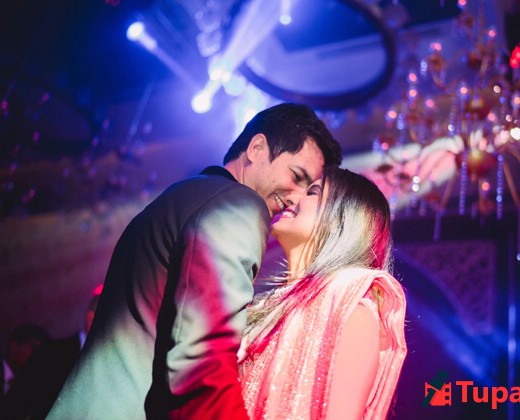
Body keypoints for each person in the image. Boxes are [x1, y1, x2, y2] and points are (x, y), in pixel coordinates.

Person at [47, 103, 342, 420]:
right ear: (257, 148)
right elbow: (202, 365)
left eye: (309, 190)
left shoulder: (184, 195)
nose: (297, 198)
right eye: (296, 176)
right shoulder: (239, 206)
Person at [238, 167, 407, 419]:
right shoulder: (265, 307)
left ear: (341, 220)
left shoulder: (354, 312)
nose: (292, 198)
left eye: (313, 192)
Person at [0, 286, 102, 420]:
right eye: (113, 319)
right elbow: (17, 405)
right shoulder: (51, 353)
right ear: (91, 317)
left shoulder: (109, 360)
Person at [1, 324, 50, 400]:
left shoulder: (30, 384)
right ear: (13, 347)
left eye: (42, 352)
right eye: (34, 348)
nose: (38, 355)